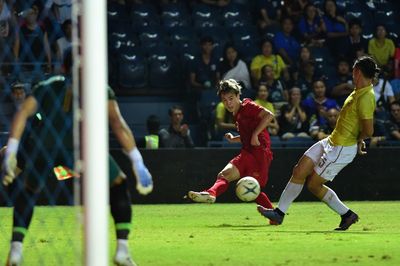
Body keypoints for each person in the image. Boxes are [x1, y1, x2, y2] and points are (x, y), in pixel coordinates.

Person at [1, 51, 153, 266]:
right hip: (84, 148)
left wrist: (11, 152)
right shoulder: (99, 89)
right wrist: (138, 162)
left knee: (28, 191)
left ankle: (16, 249)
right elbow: (118, 125)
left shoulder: (47, 86)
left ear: (62, 68)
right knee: (118, 183)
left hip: (46, 147)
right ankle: (122, 250)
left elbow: (22, 114)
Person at [257, 56, 379, 230]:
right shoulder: (358, 90)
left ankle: (347, 215)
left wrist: (358, 140)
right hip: (331, 140)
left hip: (342, 148)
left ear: (357, 71)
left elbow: (369, 130)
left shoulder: (366, 96)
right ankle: (279, 213)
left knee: (314, 184)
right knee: (299, 170)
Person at [187, 79, 276, 223]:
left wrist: (255, 134)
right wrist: (235, 139)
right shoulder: (237, 113)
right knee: (225, 175)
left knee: (253, 189)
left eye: (231, 98)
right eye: (224, 100)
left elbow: (269, 115)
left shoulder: (247, 106)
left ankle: (274, 217)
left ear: (238, 96)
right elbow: (247, 136)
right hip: (248, 152)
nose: (228, 103)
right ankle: (210, 193)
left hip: (260, 154)